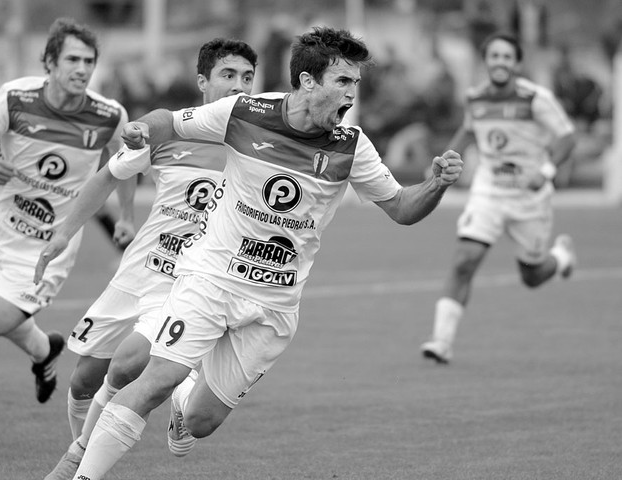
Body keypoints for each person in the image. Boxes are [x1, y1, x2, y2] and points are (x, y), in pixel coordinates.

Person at [36, 26, 463, 479]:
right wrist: (143, 129)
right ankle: (78, 472)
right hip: (211, 278)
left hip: (274, 305)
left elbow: (400, 208)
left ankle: (186, 405)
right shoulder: (244, 112)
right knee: (152, 380)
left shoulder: (351, 146)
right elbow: (170, 120)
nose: (352, 94)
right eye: (343, 82)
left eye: (355, 83)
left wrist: (434, 183)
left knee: (201, 422)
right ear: (307, 81)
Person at [38, 38, 258, 480]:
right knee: (84, 379)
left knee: (127, 364)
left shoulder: (256, 146)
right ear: (202, 82)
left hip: (188, 281)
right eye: (228, 75)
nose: (239, 87)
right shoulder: (172, 130)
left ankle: (77, 462)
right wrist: (68, 231)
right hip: (140, 270)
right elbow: (113, 174)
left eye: (247, 78)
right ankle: (97, 445)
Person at [0, 17, 130, 409]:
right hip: (0, 231)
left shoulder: (108, 114)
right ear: (49, 62)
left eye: (89, 61)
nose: (82, 69)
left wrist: (127, 217)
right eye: (72, 59)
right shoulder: (16, 97)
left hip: (48, 250)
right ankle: (43, 350)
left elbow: (128, 158)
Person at [420, 32, 577, 365]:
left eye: (507, 57)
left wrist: (546, 172)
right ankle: (441, 342)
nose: (501, 62)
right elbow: (470, 130)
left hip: (530, 198)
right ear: (486, 61)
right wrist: (445, 159)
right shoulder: (476, 98)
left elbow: (567, 137)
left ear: (517, 64)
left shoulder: (536, 98)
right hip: (489, 191)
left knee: (532, 276)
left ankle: (561, 257)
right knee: (464, 260)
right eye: (495, 56)